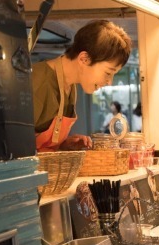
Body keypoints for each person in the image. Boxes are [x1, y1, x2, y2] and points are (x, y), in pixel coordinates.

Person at [33, 20, 131, 151]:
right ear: (84, 59)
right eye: (108, 72)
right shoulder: (37, 83)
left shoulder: (70, 86)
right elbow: (13, 151)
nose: (109, 82)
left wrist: (64, 145)